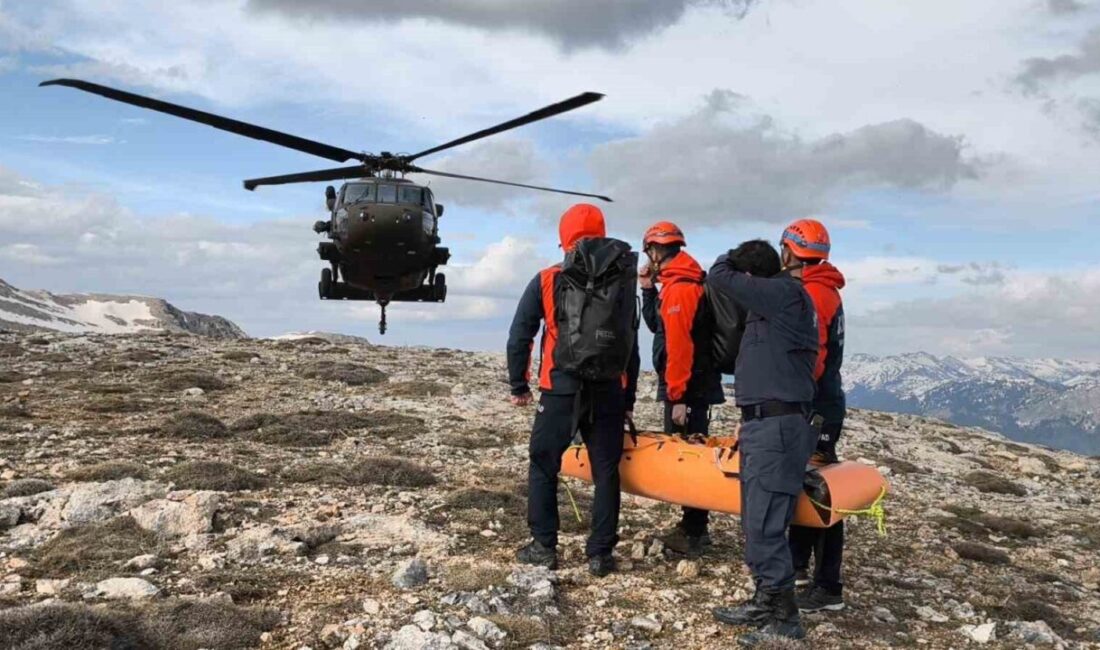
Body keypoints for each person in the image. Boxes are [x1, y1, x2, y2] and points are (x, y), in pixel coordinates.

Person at [506, 203, 639, 578]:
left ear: (564, 237)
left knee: (544, 465)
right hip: (610, 389)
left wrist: (519, 384)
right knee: (606, 472)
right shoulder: (623, 280)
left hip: (560, 388)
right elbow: (630, 344)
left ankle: (544, 546)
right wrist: (627, 399)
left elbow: (520, 335)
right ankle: (600, 555)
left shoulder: (549, 278)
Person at [707, 239, 819, 645]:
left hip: (777, 428)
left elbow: (717, 275)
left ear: (753, 278)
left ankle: (787, 623)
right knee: (756, 521)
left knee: (766, 524)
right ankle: (765, 599)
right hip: (765, 423)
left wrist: (730, 257)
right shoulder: (778, 301)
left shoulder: (784, 293)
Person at [638, 221, 724, 557]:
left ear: (657, 251)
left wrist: (677, 397)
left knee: (688, 456)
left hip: (688, 389)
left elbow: (679, 348)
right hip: (691, 386)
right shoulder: (675, 284)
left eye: (649, 251)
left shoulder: (682, 288)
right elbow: (658, 327)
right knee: (689, 451)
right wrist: (647, 290)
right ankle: (692, 527)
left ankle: (694, 532)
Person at [779, 220, 848, 613]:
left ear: (790, 251)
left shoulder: (815, 296)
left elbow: (813, 359)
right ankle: (798, 565)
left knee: (820, 488)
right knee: (804, 482)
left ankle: (828, 585)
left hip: (815, 406)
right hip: (822, 403)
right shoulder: (822, 290)